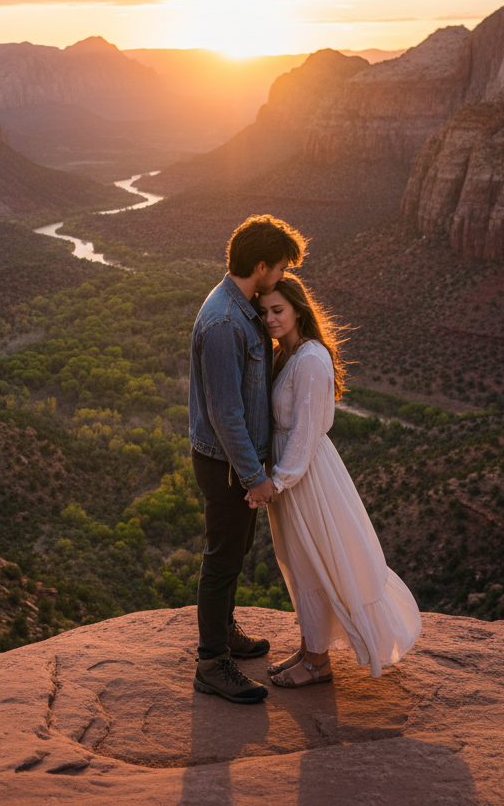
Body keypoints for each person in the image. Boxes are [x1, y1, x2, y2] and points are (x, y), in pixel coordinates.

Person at [250, 275, 421, 687]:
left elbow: (306, 431)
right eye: (264, 312)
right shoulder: (285, 354)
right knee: (298, 564)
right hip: (291, 475)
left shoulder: (310, 358)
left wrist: (278, 480)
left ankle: (317, 663)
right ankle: (312, 649)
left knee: (315, 561)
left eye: (278, 310)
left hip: (305, 476)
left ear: (297, 310)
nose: (270, 319)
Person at [189, 214, 306, 704]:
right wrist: (254, 477)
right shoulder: (222, 322)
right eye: (278, 268)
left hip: (238, 462)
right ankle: (212, 662)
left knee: (233, 554)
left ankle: (226, 632)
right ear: (260, 266)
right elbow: (225, 414)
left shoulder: (241, 309)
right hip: (228, 464)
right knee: (222, 558)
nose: (281, 277)